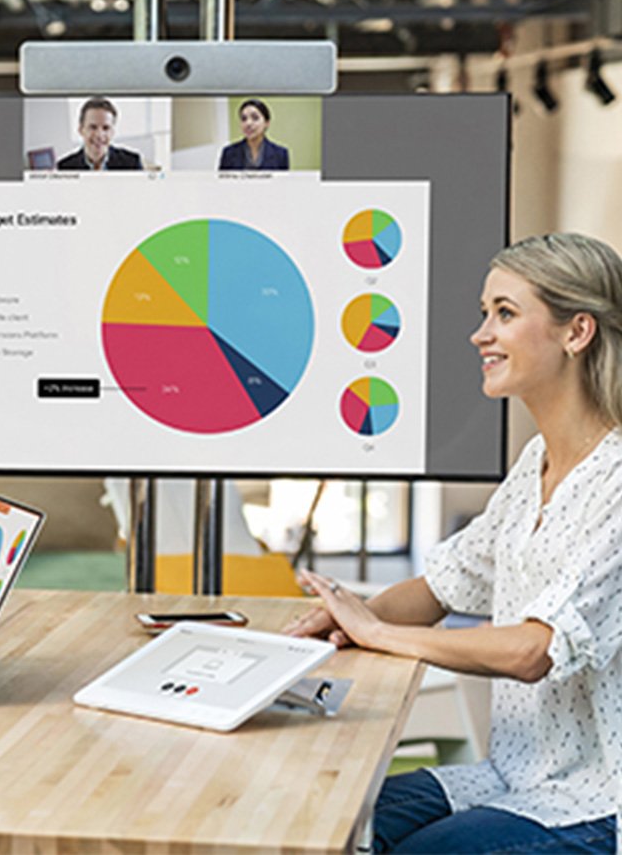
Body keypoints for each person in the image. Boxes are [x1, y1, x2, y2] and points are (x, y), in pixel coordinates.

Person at [287, 232, 622, 853]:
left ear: (577, 333)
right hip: (507, 776)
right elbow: (444, 584)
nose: (480, 334)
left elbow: (534, 650)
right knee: (323, 820)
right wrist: (328, 625)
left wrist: (378, 634)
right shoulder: (535, 466)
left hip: (598, 805)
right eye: (484, 313)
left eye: (505, 313)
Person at [57, 97, 144, 171]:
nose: (99, 135)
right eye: (93, 127)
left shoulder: (132, 163)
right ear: (81, 130)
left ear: (112, 132)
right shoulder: (64, 167)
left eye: (106, 128)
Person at [217, 99, 289, 171]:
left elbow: (282, 182)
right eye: (244, 119)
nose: (248, 123)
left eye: (255, 118)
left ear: (267, 123)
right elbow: (221, 181)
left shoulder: (280, 154)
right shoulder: (228, 153)